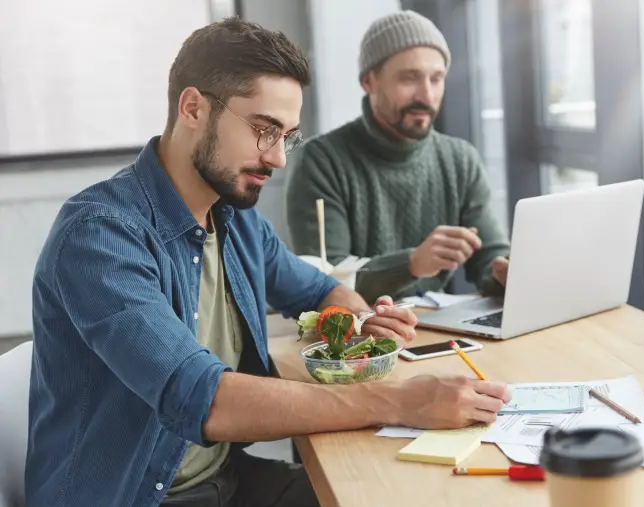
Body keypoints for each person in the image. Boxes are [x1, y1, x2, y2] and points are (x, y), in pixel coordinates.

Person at [25, 17, 511, 507]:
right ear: (193, 108)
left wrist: (360, 321)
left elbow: (319, 290)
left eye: (288, 136)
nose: (278, 159)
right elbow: (204, 399)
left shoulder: (235, 221)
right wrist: (404, 401)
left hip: (223, 481)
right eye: (264, 129)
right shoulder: (100, 235)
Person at [286, 11, 511, 305]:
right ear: (369, 81)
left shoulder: (460, 159)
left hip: (437, 327)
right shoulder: (321, 162)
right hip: (358, 339)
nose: (427, 95)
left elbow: (489, 258)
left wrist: (503, 272)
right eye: (410, 78)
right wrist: (412, 263)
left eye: (437, 78)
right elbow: (321, 282)